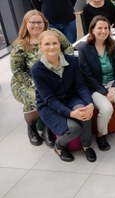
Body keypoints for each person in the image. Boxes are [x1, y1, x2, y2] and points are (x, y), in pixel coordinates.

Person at [10, 10, 73, 146]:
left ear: (45, 23)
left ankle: (47, 127)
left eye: (39, 22)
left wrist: (68, 64)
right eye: (32, 22)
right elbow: (17, 72)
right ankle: (33, 127)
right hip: (25, 83)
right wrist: (38, 85)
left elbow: (68, 47)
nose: (36, 25)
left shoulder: (54, 34)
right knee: (39, 98)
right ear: (26, 24)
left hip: (53, 77)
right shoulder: (19, 45)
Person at [31, 30, 96, 163]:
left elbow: (81, 86)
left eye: (54, 43)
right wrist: (71, 114)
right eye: (47, 44)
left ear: (59, 44)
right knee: (74, 128)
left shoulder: (72, 61)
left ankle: (86, 145)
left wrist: (89, 103)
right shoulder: (37, 69)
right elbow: (49, 99)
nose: (51, 47)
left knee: (85, 111)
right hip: (49, 106)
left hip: (70, 97)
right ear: (41, 47)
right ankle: (59, 146)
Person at [78, 16, 115, 151]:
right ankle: (100, 134)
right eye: (100, 28)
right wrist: (104, 91)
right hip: (95, 86)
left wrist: (114, 87)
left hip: (114, 82)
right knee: (106, 108)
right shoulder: (84, 48)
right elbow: (87, 75)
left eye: (106, 28)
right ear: (92, 30)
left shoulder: (114, 45)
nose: (103, 31)